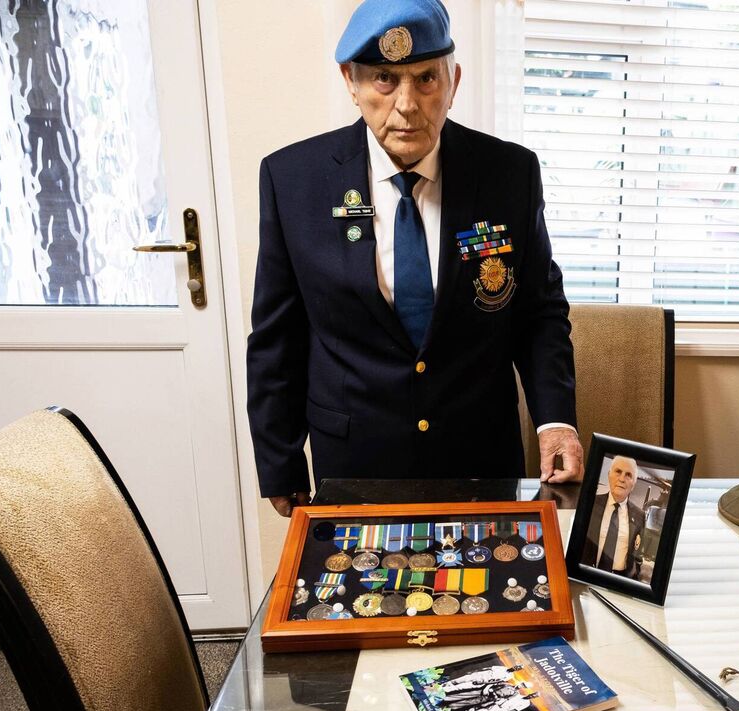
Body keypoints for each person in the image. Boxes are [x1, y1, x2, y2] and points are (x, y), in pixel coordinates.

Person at [246, 0, 584, 516]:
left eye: (426, 78)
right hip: (354, 460)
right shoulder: (292, 179)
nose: (406, 105)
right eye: (384, 79)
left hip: (481, 455)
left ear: (454, 81)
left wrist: (555, 421)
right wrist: (280, 461)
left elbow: (539, 313)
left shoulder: (509, 173)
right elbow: (277, 337)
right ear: (351, 81)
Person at [582, 456, 644, 579]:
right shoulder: (590, 503)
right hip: (589, 576)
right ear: (609, 475)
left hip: (621, 580)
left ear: (634, 483)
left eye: (628, 475)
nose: (622, 479)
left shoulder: (640, 515)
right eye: (618, 471)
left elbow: (638, 555)